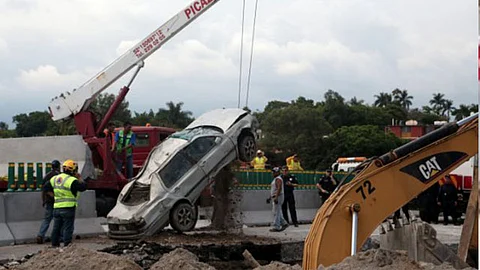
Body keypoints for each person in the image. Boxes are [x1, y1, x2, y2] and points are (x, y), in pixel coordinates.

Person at [44, 159, 87, 247]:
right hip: (68, 207)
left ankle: (54, 245)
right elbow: (83, 187)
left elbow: (45, 187)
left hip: (57, 207)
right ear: (73, 170)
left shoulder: (55, 178)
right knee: (68, 228)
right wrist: (79, 178)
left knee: (56, 228)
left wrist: (54, 196)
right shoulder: (71, 180)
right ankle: (67, 246)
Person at [36, 160, 61, 244]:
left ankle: (40, 235)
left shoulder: (47, 175)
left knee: (47, 219)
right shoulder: (59, 176)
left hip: (48, 201)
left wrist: (43, 200)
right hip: (57, 201)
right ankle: (59, 237)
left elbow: (43, 190)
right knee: (58, 220)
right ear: (58, 166)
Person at [269, 167, 289, 232]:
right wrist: (270, 197)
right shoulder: (276, 179)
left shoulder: (278, 179)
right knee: (277, 211)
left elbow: (279, 188)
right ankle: (284, 223)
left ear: (277, 172)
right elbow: (274, 189)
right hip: (276, 196)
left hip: (279, 196)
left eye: (274, 172)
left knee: (276, 212)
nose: (273, 173)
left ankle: (276, 226)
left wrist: (276, 197)